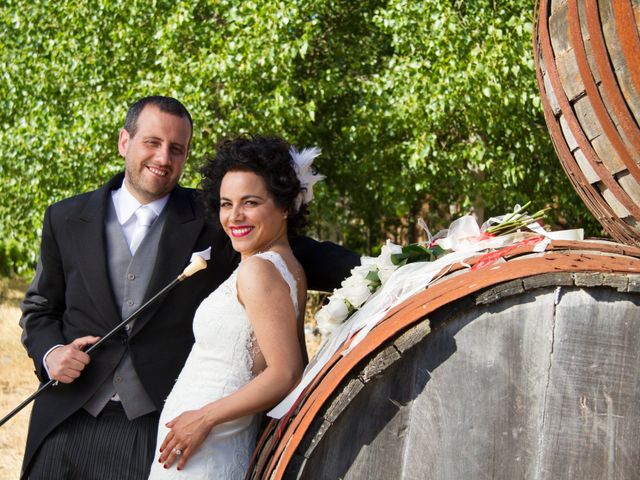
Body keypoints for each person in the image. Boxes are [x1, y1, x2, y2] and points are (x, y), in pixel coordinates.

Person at [19, 96, 359, 479]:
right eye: (152, 142)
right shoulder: (65, 217)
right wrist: (51, 355)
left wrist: (385, 266)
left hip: (158, 433)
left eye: (177, 149)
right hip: (66, 419)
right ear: (124, 142)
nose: (163, 158)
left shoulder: (218, 216)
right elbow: (40, 308)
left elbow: (289, 251)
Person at [148, 134, 313, 478]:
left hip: (206, 445)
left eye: (250, 202)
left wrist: (204, 417)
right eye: (226, 203)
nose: (234, 216)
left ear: (284, 206)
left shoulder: (259, 270)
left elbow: (287, 372)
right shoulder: (287, 267)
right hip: (203, 446)